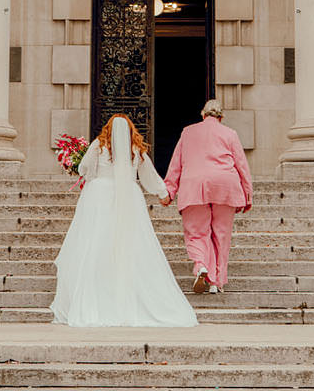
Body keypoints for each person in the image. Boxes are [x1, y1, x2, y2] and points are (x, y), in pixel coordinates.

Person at [51, 112, 197, 328]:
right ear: (130, 130)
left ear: (108, 129)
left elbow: (83, 168)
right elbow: (149, 175)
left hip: (99, 197)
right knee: (130, 244)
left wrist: (87, 172)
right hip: (130, 196)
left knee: (96, 244)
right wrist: (163, 193)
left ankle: (97, 297)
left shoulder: (98, 146)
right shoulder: (136, 150)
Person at [163, 99, 253, 295]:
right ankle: (216, 282)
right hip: (225, 185)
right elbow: (242, 166)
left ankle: (202, 265)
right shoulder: (230, 133)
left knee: (196, 232)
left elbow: (176, 164)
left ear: (203, 115)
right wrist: (247, 194)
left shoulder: (188, 132)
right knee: (221, 235)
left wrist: (169, 191)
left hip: (194, 186)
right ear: (220, 117)